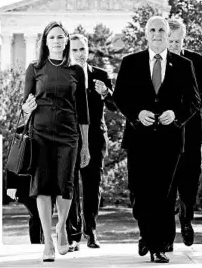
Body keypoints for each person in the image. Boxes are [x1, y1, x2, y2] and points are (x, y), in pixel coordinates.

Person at [113, 16, 201, 263]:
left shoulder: (184, 65)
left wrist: (177, 115)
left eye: (161, 29)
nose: (157, 34)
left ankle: (158, 245)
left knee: (164, 194)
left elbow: (194, 100)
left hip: (170, 140)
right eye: (152, 29)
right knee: (139, 193)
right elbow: (120, 97)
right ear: (146, 34)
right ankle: (146, 234)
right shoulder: (130, 63)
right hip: (138, 138)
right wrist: (136, 113)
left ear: (167, 33)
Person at [21, 21, 90, 262]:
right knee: (42, 186)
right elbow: (24, 104)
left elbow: (83, 111)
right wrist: (25, 108)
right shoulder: (35, 67)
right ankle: (48, 241)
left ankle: (61, 227)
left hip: (68, 135)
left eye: (61, 37)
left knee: (65, 184)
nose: (57, 41)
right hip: (40, 134)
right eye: (52, 37)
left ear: (67, 40)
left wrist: (86, 146)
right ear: (45, 42)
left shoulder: (76, 71)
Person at [165, 18, 202, 251]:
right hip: (164, 131)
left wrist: (187, 106)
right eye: (170, 41)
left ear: (184, 38)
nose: (174, 45)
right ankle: (165, 235)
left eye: (178, 41)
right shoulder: (158, 62)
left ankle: (186, 218)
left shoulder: (196, 60)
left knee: (190, 180)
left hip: (191, 128)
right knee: (167, 180)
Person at [66, 34, 117, 252]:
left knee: (92, 185)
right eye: (75, 50)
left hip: (96, 137)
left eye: (82, 49)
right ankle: (73, 233)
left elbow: (115, 105)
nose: (79, 53)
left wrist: (105, 93)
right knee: (70, 185)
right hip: (69, 137)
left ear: (88, 50)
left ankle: (91, 231)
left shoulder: (101, 75)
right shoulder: (64, 75)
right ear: (70, 52)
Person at [6, 171, 45, 244]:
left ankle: (41, 245)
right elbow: (14, 160)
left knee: (43, 215)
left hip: (48, 179)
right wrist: (11, 184)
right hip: (27, 181)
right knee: (37, 214)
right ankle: (38, 246)